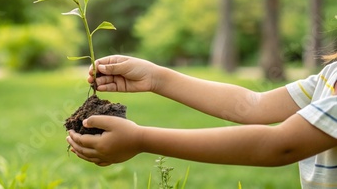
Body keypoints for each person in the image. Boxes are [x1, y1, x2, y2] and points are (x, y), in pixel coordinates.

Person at [66, 55, 337, 188]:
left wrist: (141, 139)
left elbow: (280, 145)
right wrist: (156, 78)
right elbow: (254, 105)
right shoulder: (332, 75)